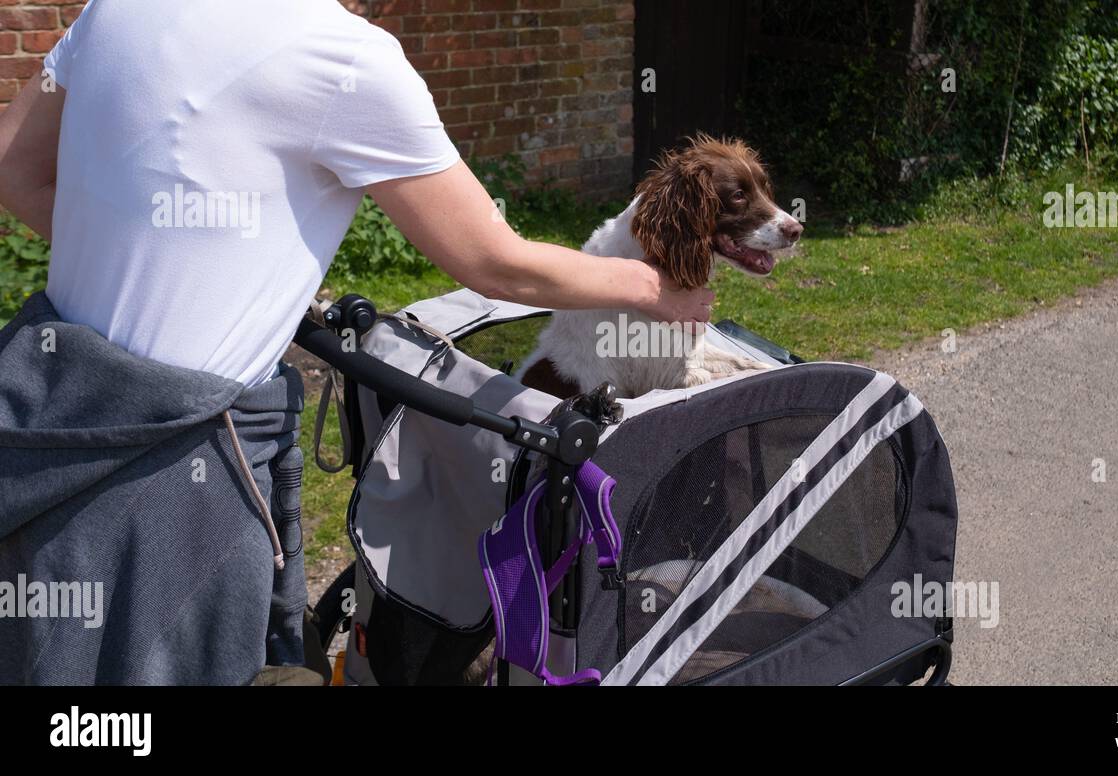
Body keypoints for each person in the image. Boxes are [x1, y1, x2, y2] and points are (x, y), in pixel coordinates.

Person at [0, 0, 713, 685]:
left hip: (46, 406)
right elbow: (490, 260)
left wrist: (172, 255)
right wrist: (653, 289)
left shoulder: (114, 9)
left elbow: (14, 166)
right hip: (179, 458)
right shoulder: (343, 58)